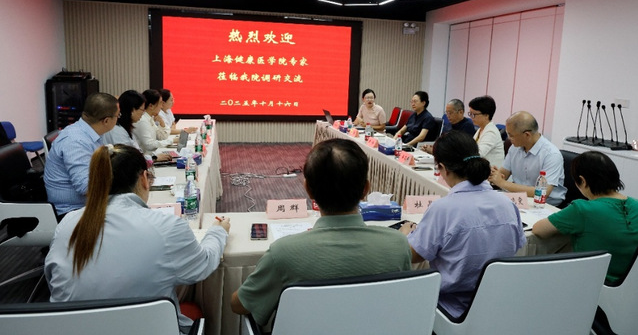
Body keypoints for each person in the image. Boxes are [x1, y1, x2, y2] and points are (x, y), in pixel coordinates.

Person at [45, 144, 230, 334]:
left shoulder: (67, 225)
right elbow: (203, 264)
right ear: (144, 179)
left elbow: (54, 282)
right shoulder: (165, 227)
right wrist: (218, 232)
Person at [230, 138, 412, 327]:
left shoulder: (282, 253)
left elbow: (239, 305)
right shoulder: (399, 244)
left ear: (308, 190)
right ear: (365, 189)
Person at [400, 131, 525, 318]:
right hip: (498, 307)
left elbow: (413, 255)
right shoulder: (507, 203)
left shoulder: (443, 209)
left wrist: (403, 235)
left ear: (443, 168)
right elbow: (517, 245)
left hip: (450, 308)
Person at [532, 151, 638, 283]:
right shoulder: (635, 205)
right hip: (631, 287)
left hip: (592, 283)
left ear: (582, 181)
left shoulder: (582, 209)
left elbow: (539, 230)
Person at [44, 92, 119, 217]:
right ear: (106, 121)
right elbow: (87, 188)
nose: (118, 119)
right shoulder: (76, 141)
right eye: (117, 116)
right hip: (72, 212)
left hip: (88, 204)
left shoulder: (90, 133)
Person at [488, 111, 567, 206]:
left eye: (511, 135)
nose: (509, 138)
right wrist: (494, 175)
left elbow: (542, 193)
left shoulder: (551, 154)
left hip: (545, 204)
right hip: (519, 199)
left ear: (527, 135)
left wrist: (502, 183)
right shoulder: (515, 147)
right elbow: (503, 174)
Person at [132, 89, 174, 155]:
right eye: (160, 103)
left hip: (151, 155)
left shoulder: (150, 118)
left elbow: (162, 137)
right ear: (151, 106)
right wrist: (171, 141)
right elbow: (149, 145)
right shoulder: (142, 120)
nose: (161, 106)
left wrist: (162, 123)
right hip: (146, 157)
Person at [468, 95, 504, 168]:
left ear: (486, 115)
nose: (471, 117)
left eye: (474, 114)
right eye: (470, 114)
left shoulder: (491, 132)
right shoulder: (481, 129)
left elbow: (477, 154)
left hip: (490, 172)